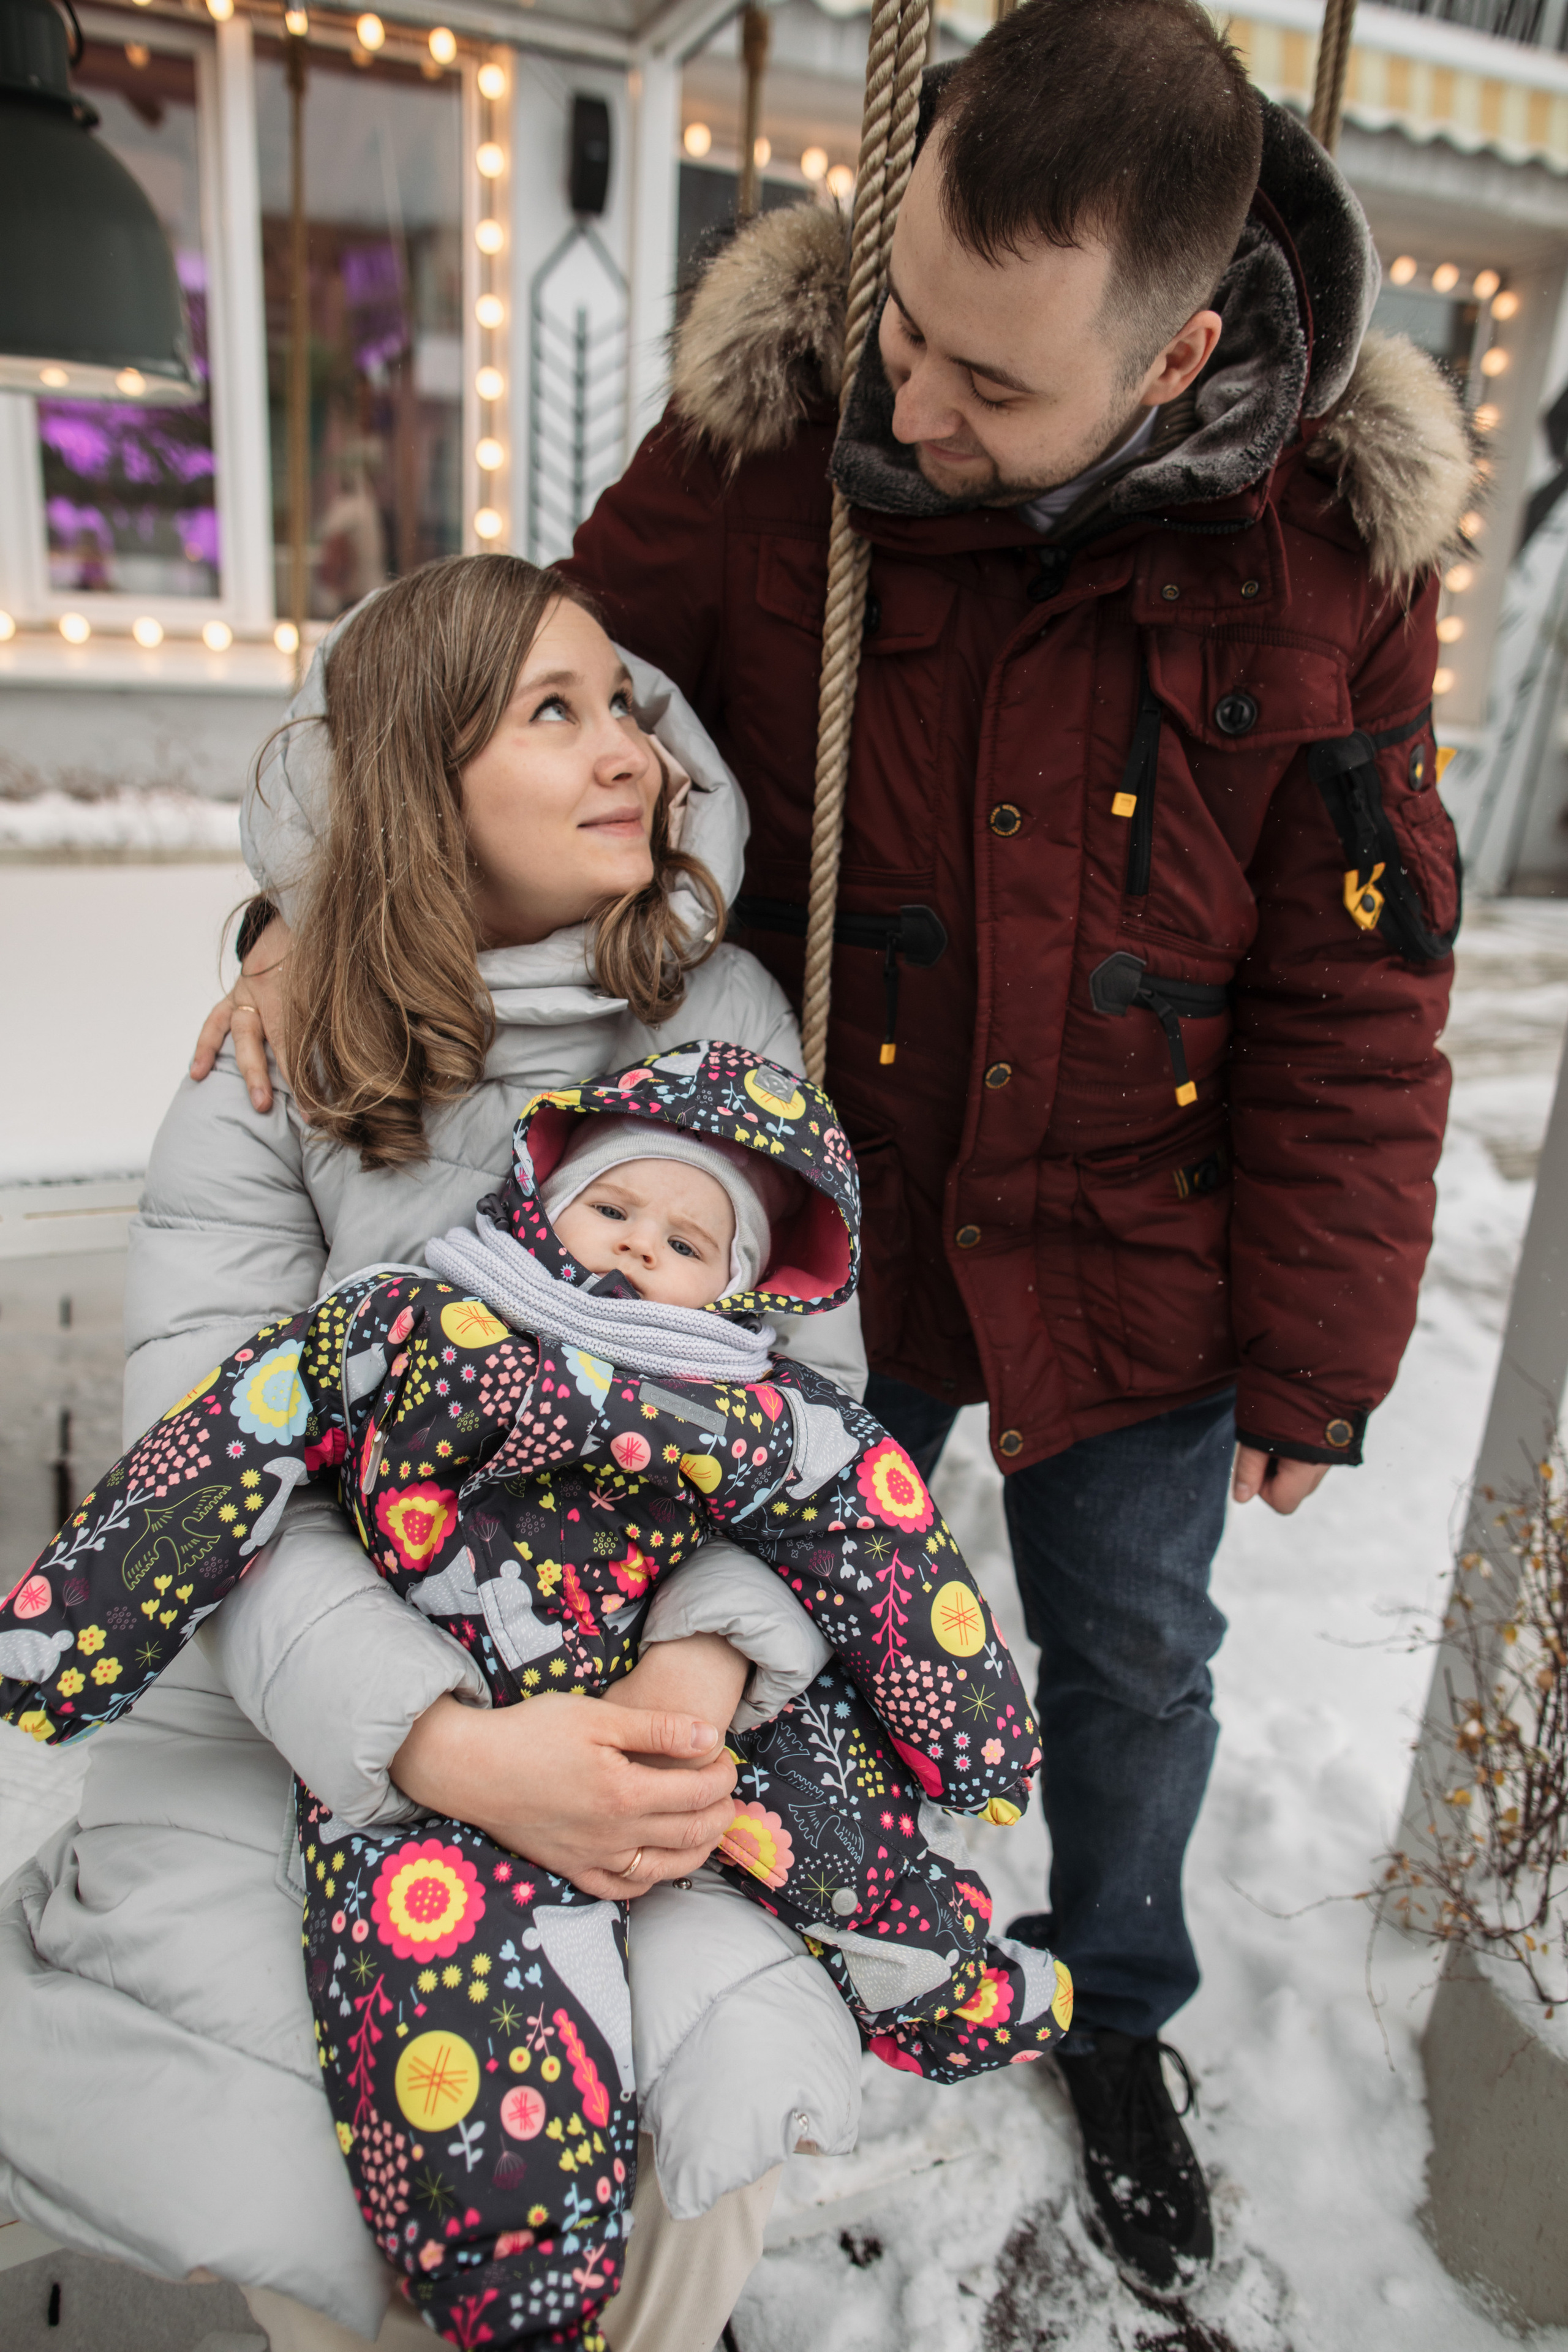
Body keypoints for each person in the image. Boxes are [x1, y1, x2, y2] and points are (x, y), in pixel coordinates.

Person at [549, 0, 1472, 2295]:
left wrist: (1321, 1344)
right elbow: (525, 708)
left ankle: (1120, 2007)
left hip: (1134, 1248)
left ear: (1174, 362)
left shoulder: (1334, 555)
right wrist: (315, 910)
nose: (916, 402)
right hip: (826, 1217)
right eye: (907, 324)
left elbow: (1360, 978)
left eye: (990, 380)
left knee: (1135, 1661)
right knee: (767, 1605)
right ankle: (796, 1930)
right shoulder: (778, 429)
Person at [0, 556, 883, 2351]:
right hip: (306, 1677)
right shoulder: (276, 1057)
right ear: (422, 784)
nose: (628, 749)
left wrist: (696, 1681)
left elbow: (807, 1424)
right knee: (325, 2146)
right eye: (553, 714)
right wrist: (442, 1746)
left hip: (647, 1651)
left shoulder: (717, 1021)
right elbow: (206, 1475)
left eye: (621, 703)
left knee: (694, 2123)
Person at [5, 1050, 1069, 2346]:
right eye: (611, 1207)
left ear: (739, 1288)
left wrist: (974, 1726)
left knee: (833, 1820)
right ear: (541, 1198)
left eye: (686, 1242)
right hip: (456, 1710)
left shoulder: (754, 1400)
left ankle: (940, 1975)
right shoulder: (418, 1317)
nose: (637, 1246)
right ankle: (516, 2282)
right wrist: (69, 1628)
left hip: (674, 1701)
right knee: (450, 1966)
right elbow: (239, 1433)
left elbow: (879, 1533)